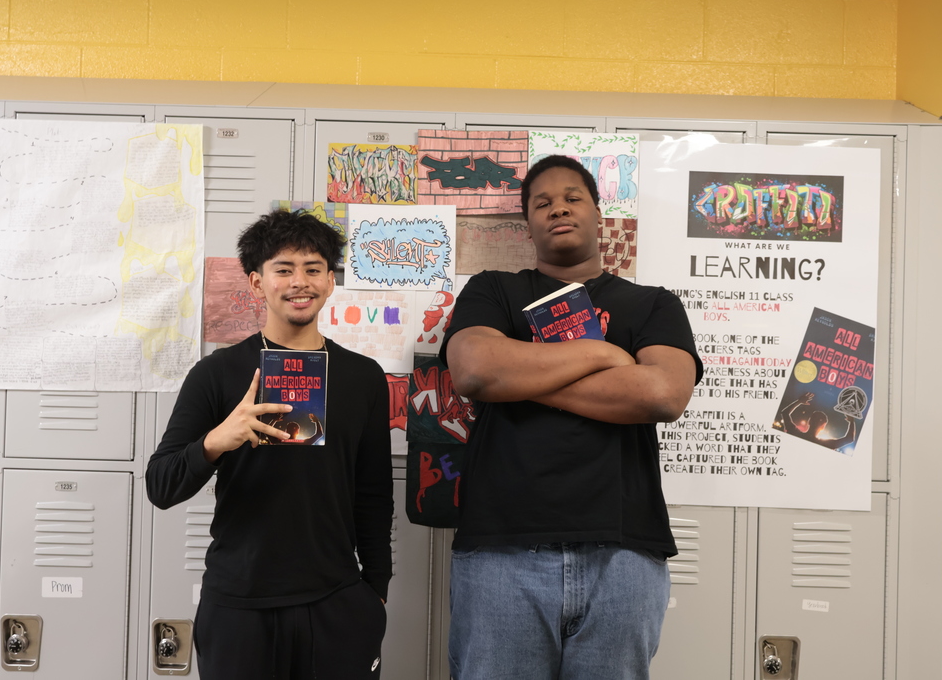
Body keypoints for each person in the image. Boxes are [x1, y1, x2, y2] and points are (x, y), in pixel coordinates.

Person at [441, 155, 704, 680]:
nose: (557, 208)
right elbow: (474, 370)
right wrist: (604, 355)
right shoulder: (494, 289)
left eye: (572, 197)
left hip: (624, 555)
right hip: (502, 553)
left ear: (599, 213)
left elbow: (661, 394)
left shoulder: (652, 304)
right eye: (542, 203)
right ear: (528, 225)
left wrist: (519, 375)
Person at [146, 209, 392, 680]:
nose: (300, 282)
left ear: (330, 281)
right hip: (240, 604)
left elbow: (374, 493)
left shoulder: (363, 377)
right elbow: (161, 484)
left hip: (337, 602)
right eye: (284, 269)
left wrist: (375, 592)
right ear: (257, 283)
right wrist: (219, 439)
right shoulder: (216, 374)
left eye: (313, 268)